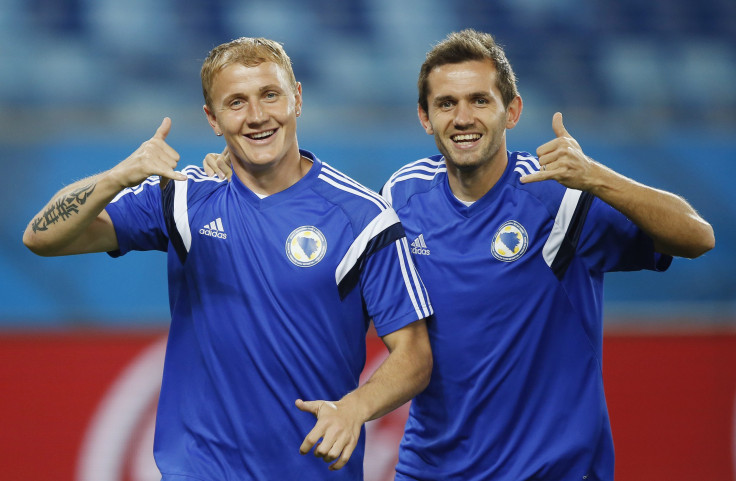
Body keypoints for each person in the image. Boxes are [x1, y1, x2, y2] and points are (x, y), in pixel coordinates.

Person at [203, 29, 715, 480]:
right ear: (425, 118)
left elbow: (696, 237)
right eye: (446, 104)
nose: (463, 118)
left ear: (511, 110)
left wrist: (597, 178)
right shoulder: (402, 196)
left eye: (479, 100)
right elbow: (328, 242)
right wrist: (245, 180)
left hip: (549, 470)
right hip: (431, 468)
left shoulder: (558, 196)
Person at [23, 37, 433, 481]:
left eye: (270, 95)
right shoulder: (183, 197)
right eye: (236, 103)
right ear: (212, 119)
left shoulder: (361, 216)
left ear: (297, 97)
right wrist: (118, 176)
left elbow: (413, 355)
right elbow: (42, 237)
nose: (257, 116)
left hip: (314, 470)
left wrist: (355, 408)